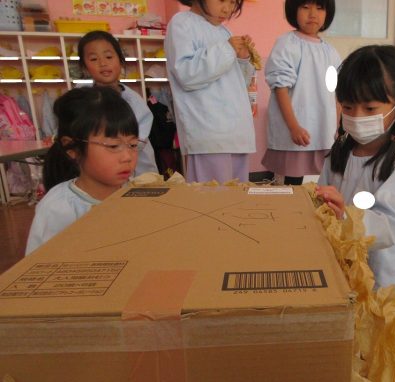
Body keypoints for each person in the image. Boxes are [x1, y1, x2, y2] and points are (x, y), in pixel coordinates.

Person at [316, 45, 395, 318]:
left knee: (377, 333)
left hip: (384, 279)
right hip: (346, 270)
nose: (357, 117)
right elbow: (322, 197)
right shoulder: (340, 153)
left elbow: (388, 227)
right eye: (348, 107)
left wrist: (344, 216)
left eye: (370, 108)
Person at [26, 87, 140, 254]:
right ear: (73, 148)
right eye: (113, 146)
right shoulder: (58, 209)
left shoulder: (139, 195)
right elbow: (38, 265)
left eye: (133, 145)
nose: (127, 157)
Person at [165, 0, 256, 183]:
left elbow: (238, 82)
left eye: (233, 2)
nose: (227, 9)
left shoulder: (224, 32)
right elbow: (186, 73)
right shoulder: (182, 23)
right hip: (209, 135)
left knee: (237, 195)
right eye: (222, 0)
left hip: (237, 133)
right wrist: (227, 49)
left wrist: (243, 59)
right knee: (211, 196)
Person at [262, 0, 340, 186]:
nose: (313, 14)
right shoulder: (287, 44)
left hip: (323, 133)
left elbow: (336, 94)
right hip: (295, 132)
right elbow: (280, 87)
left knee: (321, 184)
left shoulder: (331, 52)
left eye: (319, 8)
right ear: (293, 11)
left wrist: (336, 127)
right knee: (289, 184)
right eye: (305, 7)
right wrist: (293, 127)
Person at [77, 30, 158, 176]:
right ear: (84, 68)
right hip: (98, 170)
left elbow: (138, 140)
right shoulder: (81, 99)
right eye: (94, 59)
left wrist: (114, 149)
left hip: (138, 170)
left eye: (109, 57)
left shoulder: (134, 101)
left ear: (120, 61)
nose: (103, 63)